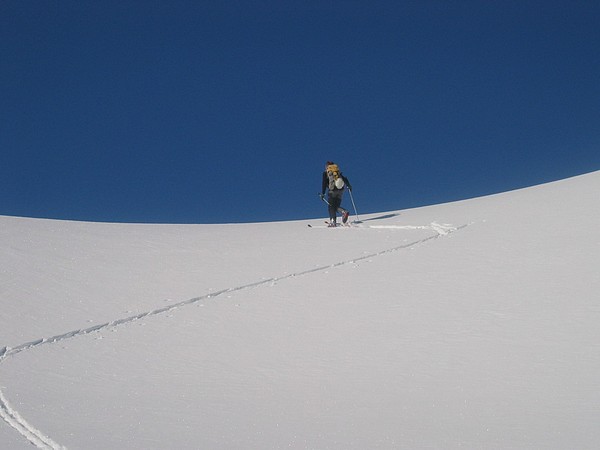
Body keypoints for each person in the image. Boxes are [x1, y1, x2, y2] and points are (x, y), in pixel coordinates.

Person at [320, 161, 352, 227]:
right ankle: (344, 211)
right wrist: (349, 186)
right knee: (335, 207)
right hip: (341, 191)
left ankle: (333, 222)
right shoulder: (337, 172)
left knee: (331, 206)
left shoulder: (326, 172)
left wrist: (323, 193)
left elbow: (324, 183)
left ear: (327, 166)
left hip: (332, 191)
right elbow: (344, 179)